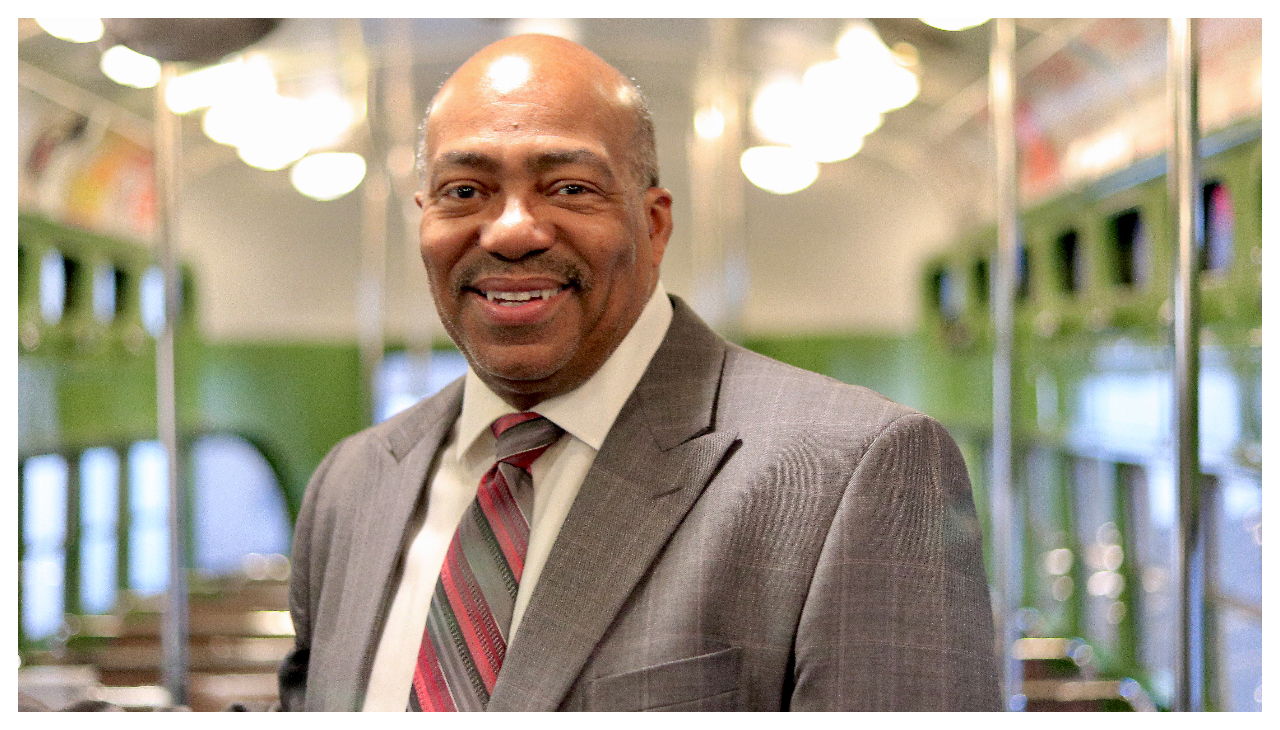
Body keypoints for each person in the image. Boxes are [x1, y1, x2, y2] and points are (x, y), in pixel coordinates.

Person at [278, 33, 999, 712]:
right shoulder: (352, 486)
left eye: (568, 188)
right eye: (464, 191)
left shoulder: (854, 475)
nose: (511, 231)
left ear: (653, 225)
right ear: (423, 220)